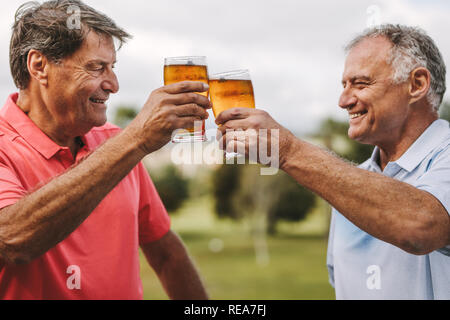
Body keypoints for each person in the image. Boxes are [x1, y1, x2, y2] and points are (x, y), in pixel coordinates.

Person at [216, 24, 450, 299]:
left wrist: (289, 151)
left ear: (417, 84)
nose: (343, 100)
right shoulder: (350, 183)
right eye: (344, 85)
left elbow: (421, 226)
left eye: (361, 83)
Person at [0, 0, 210, 300]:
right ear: (39, 66)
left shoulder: (117, 142)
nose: (113, 84)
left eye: (112, 68)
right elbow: (12, 239)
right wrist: (136, 140)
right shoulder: (126, 145)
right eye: (97, 67)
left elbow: (166, 254)